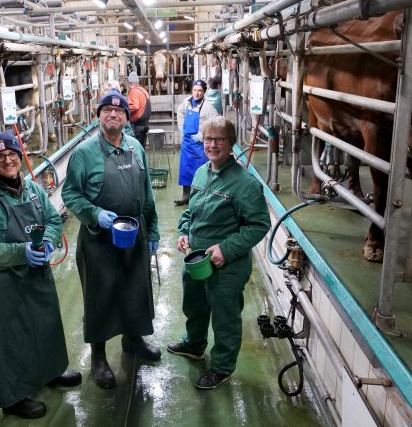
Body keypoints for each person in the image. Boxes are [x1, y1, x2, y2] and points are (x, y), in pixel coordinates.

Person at [0, 131, 81, 419]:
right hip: (3, 286)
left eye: (13, 154)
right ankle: (11, 397)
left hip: (36, 275)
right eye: (0, 156)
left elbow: (53, 220)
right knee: (8, 339)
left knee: (45, 325)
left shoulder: (32, 189)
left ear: (19, 155)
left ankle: (50, 371)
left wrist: (51, 241)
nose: (8, 160)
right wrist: (19, 252)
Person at [62, 90, 161, 389]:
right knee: (100, 296)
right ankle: (99, 358)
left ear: (126, 117)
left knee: (134, 290)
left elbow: (147, 194)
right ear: (99, 116)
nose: (113, 114)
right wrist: (94, 214)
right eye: (107, 110)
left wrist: (152, 229)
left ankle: (133, 340)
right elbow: (70, 194)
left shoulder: (135, 148)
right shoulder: (84, 153)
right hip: (99, 240)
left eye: (119, 111)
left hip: (134, 236)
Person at [167, 116, 271, 390]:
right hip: (197, 258)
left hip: (227, 265)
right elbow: (191, 210)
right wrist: (184, 230)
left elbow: (259, 224)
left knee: (225, 316)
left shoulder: (245, 184)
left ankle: (222, 367)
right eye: (208, 139)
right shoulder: (202, 172)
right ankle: (194, 344)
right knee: (194, 304)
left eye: (219, 139)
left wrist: (226, 249)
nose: (212, 145)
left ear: (231, 143)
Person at [174, 79, 219, 206]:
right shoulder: (186, 102)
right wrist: (181, 126)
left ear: (204, 92)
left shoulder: (208, 107)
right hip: (187, 142)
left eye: (200, 91)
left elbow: (215, 122)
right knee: (185, 169)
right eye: (195, 90)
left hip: (200, 146)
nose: (197, 93)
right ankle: (186, 196)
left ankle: (201, 197)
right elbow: (180, 112)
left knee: (200, 170)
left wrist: (201, 135)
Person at [127, 71, 151, 148]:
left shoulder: (133, 91)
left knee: (135, 150)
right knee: (142, 149)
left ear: (130, 83)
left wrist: (124, 111)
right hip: (145, 125)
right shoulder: (144, 91)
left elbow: (134, 106)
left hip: (137, 126)